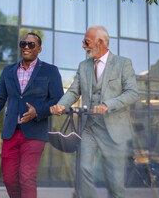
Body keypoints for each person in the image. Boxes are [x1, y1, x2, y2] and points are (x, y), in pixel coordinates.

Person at [0, 33, 64, 198]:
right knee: (9, 178)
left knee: (27, 177)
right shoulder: (8, 71)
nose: (26, 47)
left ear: (39, 49)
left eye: (31, 45)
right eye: (23, 44)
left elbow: (58, 99)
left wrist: (38, 111)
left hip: (34, 132)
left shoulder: (50, 71)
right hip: (10, 131)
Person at [50, 25, 139, 198]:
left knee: (115, 184)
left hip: (114, 129)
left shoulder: (123, 63)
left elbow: (133, 93)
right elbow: (74, 91)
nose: (83, 46)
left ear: (100, 42)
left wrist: (108, 104)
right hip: (90, 128)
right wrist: (61, 104)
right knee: (83, 168)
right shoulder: (83, 66)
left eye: (86, 42)